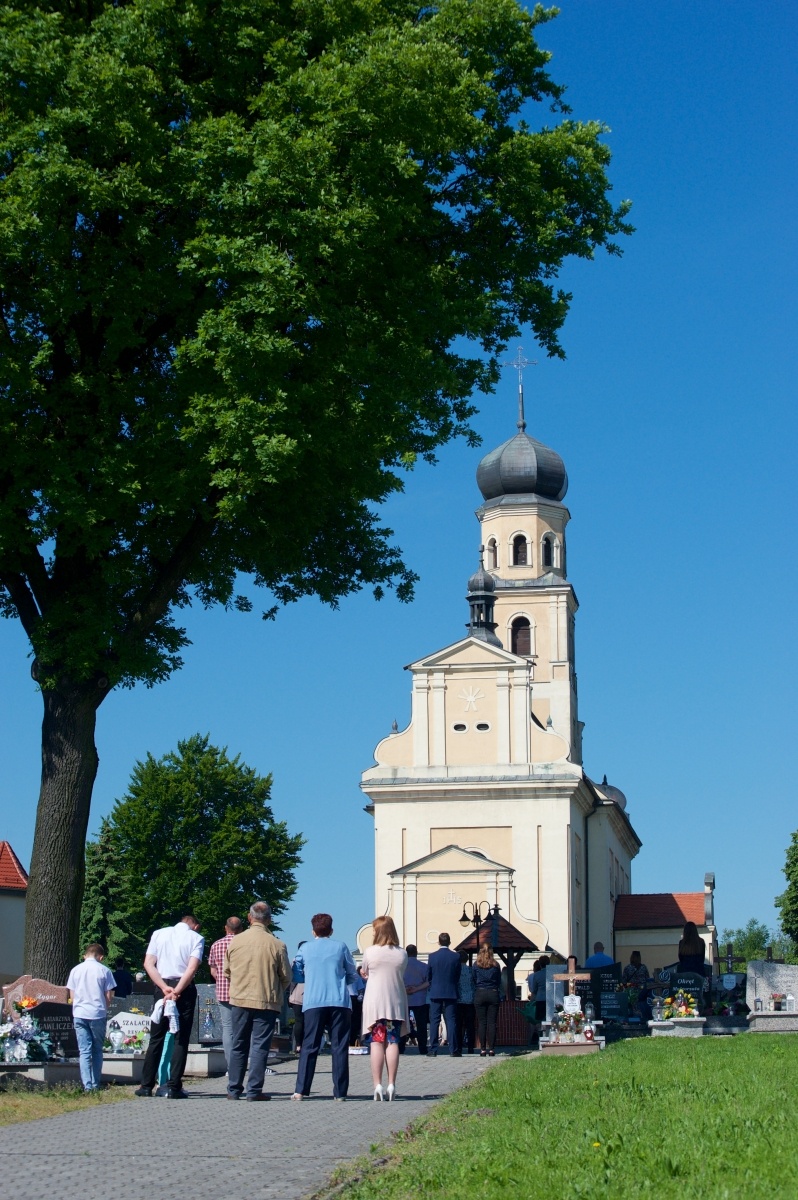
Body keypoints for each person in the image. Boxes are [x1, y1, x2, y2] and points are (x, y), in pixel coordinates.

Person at [225, 900, 290, 1101]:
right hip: (266, 1001)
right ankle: (254, 1091)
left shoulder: (235, 942)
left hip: (240, 999)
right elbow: (286, 976)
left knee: (238, 1044)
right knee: (260, 1046)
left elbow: (227, 972)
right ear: (269, 920)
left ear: (249, 917)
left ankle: (233, 1090)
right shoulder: (277, 944)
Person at [135, 914, 204, 1100]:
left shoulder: (158, 934)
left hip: (161, 987)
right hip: (184, 988)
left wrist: (164, 988)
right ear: (195, 926)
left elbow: (148, 963)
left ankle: (146, 1085)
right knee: (181, 1039)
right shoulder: (196, 938)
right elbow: (191, 968)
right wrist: (178, 990)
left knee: (156, 1037)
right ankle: (174, 1086)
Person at [292, 913, 358, 1101]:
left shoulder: (304, 948)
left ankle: (301, 1090)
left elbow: (297, 974)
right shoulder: (340, 947)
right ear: (331, 930)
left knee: (309, 1045)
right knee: (339, 1046)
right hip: (339, 1001)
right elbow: (352, 973)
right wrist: (343, 980)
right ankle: (340, 1092)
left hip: (313, 1001)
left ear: (313, 931)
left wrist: (310, 979)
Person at [360, 916, 409, 1101]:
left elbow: (365, 971)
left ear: (378, 931)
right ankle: (391, 1084)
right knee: (393, 1041)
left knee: (377, 1042)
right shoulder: (402, 954)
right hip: (395, 1001)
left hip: (375, 1002)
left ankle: (377, 1085)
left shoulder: (370, 952)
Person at [66, 942, 116, 1092]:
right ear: (101, 957)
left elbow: (72, 995)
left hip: (80, 1013)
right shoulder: (104, 970)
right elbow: (109, 995)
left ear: (85, 955)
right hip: (97, 1013)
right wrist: (104, 1008)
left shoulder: (75, 970)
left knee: (84, 1051)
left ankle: (87, 1085)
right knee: (97, 1050)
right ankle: (95, 1084)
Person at [207, 916, 244, 1070]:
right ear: (241, 929)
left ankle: (231, 1067)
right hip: (243, 992)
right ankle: (243, 1063)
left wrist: (223, 979)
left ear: (225, 928)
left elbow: (213, 971)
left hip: (223, 992)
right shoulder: (244, 944)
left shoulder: (216, 945)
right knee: (243, 1029)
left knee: (227, 1028)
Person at [426, 932, 460, 1057]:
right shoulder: (455, 957)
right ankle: (453, 1050)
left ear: (439, 942)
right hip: (451, 991)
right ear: (449, 942)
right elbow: (457, 975)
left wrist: (433, 984)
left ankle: (433, 1049)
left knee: (434, 1021)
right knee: (451, 1020)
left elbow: (428, 975)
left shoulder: (432, 957)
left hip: (435, 991)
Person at [472, 943, 502, 1056]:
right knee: (492, 1022)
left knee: (482, 1022)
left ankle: (483, 1049)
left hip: (480, 993)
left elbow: (474, 979)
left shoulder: (476, 965)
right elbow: (499, 981)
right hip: (493, 993)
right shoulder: (495, 965)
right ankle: (492, 1049)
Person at [402, 944, 429, 1055]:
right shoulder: (424, 966)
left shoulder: (401, 966)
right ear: (416, 953)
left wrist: (405, 989)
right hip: (420, 999)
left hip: (405, 999)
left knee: (403, 1024)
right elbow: (428, 982)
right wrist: (416, 988)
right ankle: (422, 1048)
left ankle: (400, 1047)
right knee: (421, 1025)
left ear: (406, 953)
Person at [455, 952, 476, 1055]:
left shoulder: (456, 971)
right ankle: (471, 1047)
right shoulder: (471, 970)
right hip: (470, 1001)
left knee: (458, 1026)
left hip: (459, 1001)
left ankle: (459, 1047)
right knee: (470, 1026)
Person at [289, 941, 306, 1054]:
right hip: (311, 992)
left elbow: (291, 979)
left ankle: (298, 1045)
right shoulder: (312, 960)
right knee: (310, 1021)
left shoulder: (295, 961)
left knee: (299, 1020)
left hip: (297, 993)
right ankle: (307, 1044)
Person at [348, 967, 366, 1047]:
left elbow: (361, 988)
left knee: (352, 1022)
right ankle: (352, 1040)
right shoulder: (355, 975)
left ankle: (351, 1040)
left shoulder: (354, 975)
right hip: (353, 998)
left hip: (349, 998)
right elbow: (361, 989)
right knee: (353, 1022)